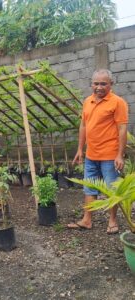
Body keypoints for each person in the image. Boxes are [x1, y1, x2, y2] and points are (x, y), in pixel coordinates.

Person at [67, 69, 128, 234]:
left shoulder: (118, 102)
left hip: (110, 155)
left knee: (111, 190)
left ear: (111, 84)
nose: (99, 87)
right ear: (91, 84)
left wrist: (119, 155)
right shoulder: (87, 101)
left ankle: (113, 220)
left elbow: (122, 129)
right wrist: (80, 149)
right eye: (96, 83)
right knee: (89, 188)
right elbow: (84, 126)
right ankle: (87, 220)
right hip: (91, 154)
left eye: (103, 83)